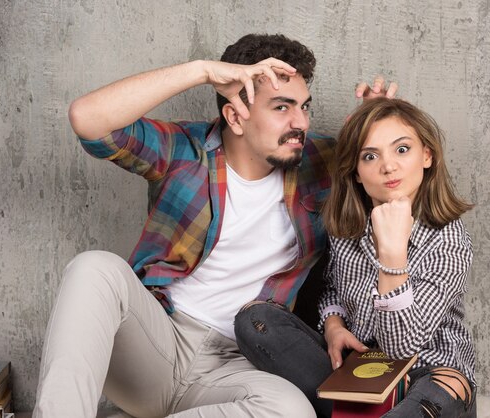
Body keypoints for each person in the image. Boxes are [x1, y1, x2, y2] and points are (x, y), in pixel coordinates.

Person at [33, 33, 339, 418]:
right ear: (234, 116)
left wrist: (381, 116)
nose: (300, 122)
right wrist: (202, 71)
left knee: (292, 411)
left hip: (238, 362)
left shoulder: (319, 160)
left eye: (303, 106)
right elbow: (88, 120)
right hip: (156, 346)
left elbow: (392, 169)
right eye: (282, 107)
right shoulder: (185, 151)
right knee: (95, 269)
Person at [236, 97, 476, 417]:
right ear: (358, 174)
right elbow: (334, 289)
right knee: (255, 320)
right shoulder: (348, 228)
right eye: (370, 155)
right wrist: (333, 325)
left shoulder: (449, 240)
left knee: (446, 386)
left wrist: (392, 258)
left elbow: (401, 348)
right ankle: (360, 408)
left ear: (427, 156)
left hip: (426, 374)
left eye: (402, 149)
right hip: (358, 371)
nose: (388, 166)